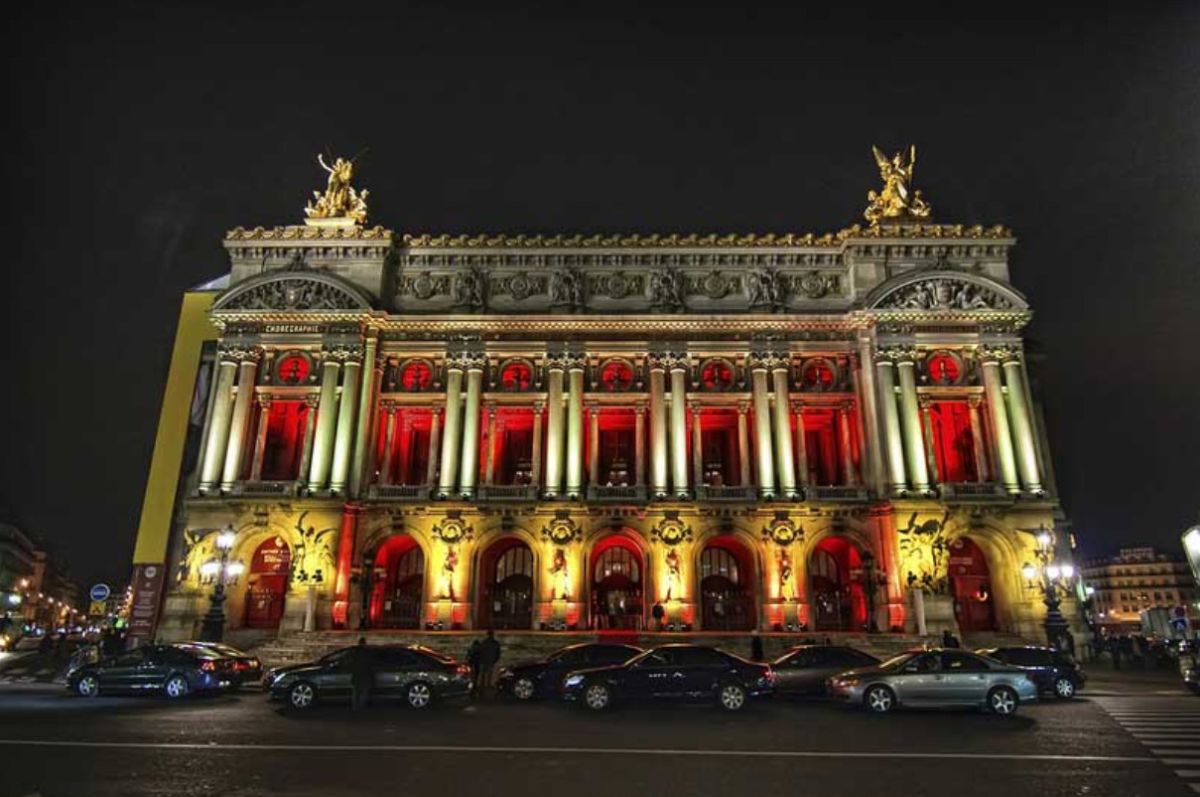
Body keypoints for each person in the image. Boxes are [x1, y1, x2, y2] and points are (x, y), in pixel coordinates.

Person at [350, 637, 373, 710]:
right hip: (365, 674)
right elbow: (369, 664)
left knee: (356, 691)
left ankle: (355, 706)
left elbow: (352, 663)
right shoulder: (367, 652)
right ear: (364, 643)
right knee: (364, 691)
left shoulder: (355, 652)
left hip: (357, 674)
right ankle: (360, 706)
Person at [477, 630, 501, 695]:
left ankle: (482, 685)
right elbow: (498, 653)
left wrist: (481, 659)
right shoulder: (495, 643)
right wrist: (495, 659)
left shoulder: (484, 642)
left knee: (483, 673)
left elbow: (480, 652)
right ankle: (488, 685)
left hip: (484, 660)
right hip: (491, 660)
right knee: (489, 673)